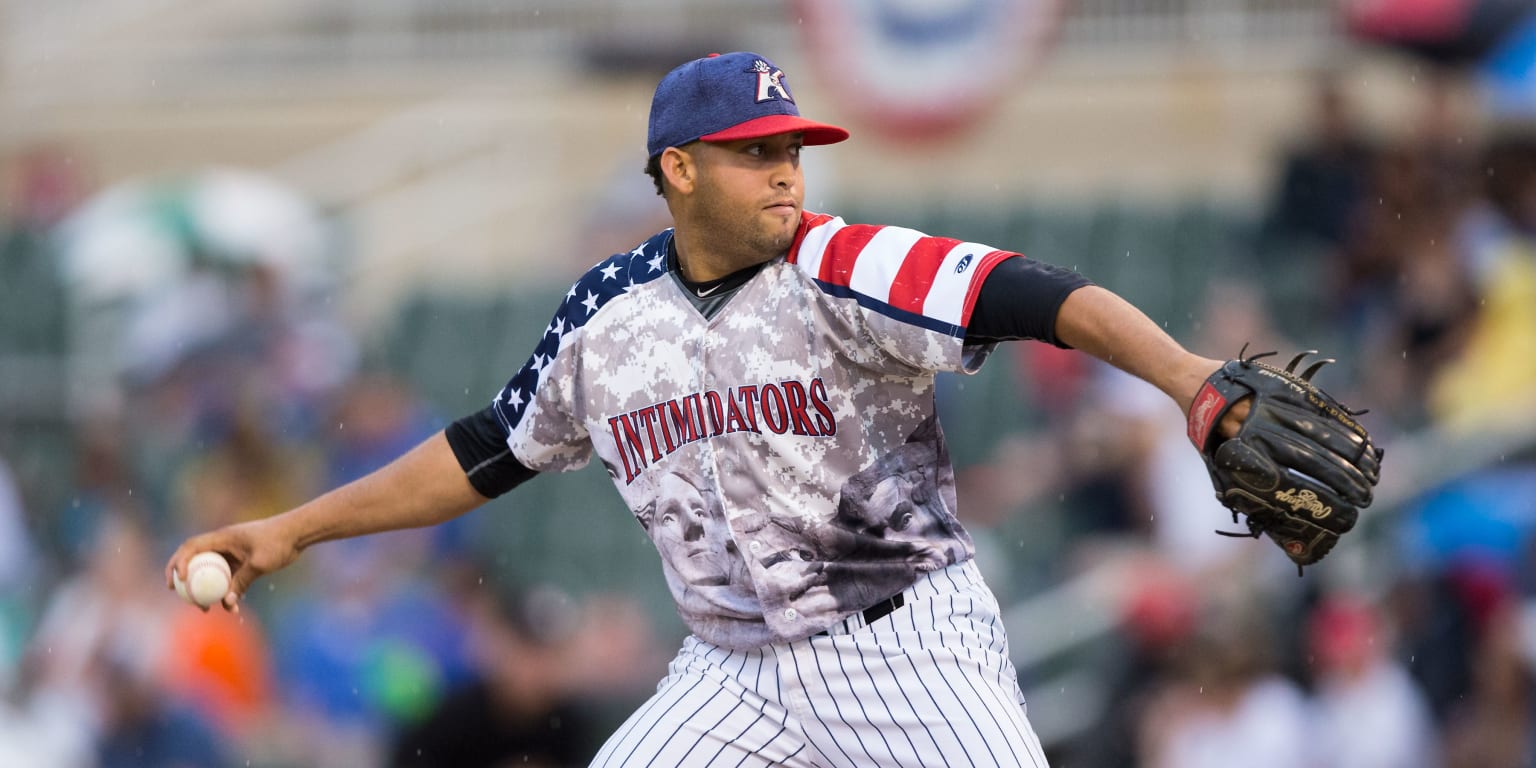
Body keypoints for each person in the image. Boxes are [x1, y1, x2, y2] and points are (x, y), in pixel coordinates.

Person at [168, 51, 1253, 766]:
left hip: (905, 645)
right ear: (678, 170)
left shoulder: (845, 263)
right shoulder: (607, 313)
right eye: (755, 155)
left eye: (792, 150)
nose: (787, 174)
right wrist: (289, 530)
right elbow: (488, 451)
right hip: (731, 670)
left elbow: (1037, 294)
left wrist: (1186, 376)